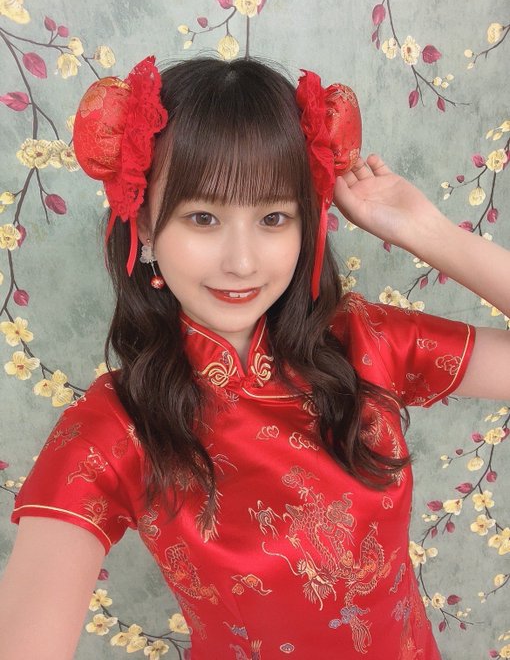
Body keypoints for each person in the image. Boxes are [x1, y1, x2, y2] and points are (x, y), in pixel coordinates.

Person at [0, 54, 509, 660]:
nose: (241, 262)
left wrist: (426, 231)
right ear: (145, 226)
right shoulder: (116, 427)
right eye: (203, 217)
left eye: (273, 217)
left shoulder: (364, 342)